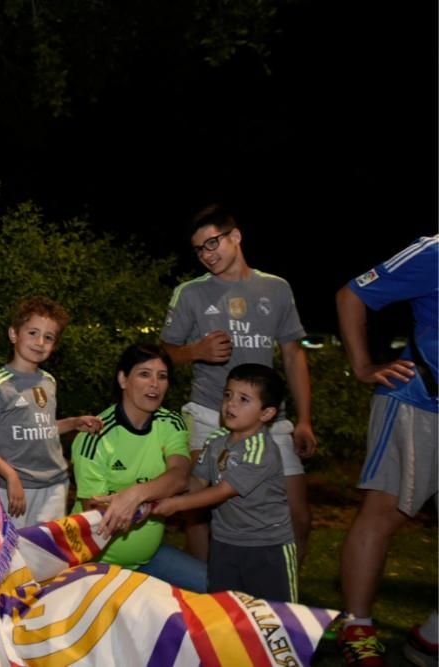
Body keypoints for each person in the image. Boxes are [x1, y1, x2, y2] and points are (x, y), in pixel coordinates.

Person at [160, 204, 316, 564]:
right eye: (200, 249)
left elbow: (293, 355)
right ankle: (208, 597)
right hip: (208, 416)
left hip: (268, 420)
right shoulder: (190, 293)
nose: (207, 254)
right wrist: (195, 351)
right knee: (199, 515)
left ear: (236, 236)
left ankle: (281, 605)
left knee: (298, 517)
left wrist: (304, 420)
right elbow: (163, 354)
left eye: (213, 243)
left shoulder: (276, 288)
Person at [333, 235, 438, 667]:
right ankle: (356, 626)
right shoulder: (434, 250)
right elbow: (351, 295)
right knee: (384, 514)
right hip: (415, 401)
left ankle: (431, 637)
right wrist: (362, 365)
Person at [153, 364, 297, 603]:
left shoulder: (260, 450)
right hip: (224, 543)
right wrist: (163, 484)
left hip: (267, 547)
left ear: (267, 413)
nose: (231, 404)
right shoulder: (216, 440)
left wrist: (175, 504)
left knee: (275, 619)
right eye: (228, 395)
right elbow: (199, 481)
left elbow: (222, 491)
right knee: (224, 611)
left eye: (244, 399)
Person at [72, 343, 207, 593]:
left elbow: (178, 476)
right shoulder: (94, 437)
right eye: (144, 374)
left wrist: (135, 495)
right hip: (98, 564)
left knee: (216, 589)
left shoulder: (172, 423)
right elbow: (96, 511)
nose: (154, 384)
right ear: (123, 379)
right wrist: (142, 506)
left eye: (162, 376)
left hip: (149, 557)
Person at [0, 296, 102, 529]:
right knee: (13, 558)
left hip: (55, 485)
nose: (40, 342)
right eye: (33, 333)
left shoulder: (49, 381)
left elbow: (41, 427)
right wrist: (10, 475)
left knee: (48, 557)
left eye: (48, 337)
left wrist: (73, 422)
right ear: (13, 334)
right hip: (14, 487)